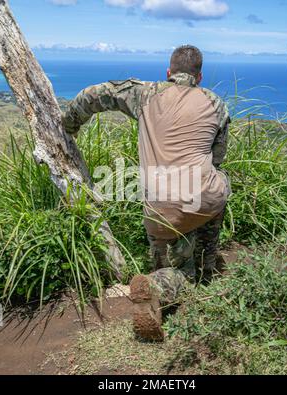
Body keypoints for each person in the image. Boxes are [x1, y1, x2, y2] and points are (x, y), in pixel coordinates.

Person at [62, 45, 231, 342]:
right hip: (203, 200)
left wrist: (68, 125)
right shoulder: (217, 104)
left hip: (160, 211)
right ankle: (205, 263)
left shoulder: (145, 93)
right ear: (199, 76)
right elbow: (216, 159)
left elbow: (92, 95)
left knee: (172, 265)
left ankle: (157, 285)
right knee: (218, 181)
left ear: (168, 73)